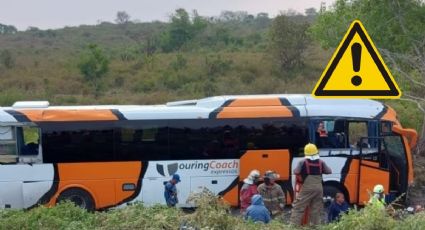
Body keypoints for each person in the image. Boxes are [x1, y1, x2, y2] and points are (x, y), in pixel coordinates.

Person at [290, 143, 332, 226]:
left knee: (298, 207)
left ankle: (293, 226)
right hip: (319, 188)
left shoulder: (302, 162)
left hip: (307, 188)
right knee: (316, 209)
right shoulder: (321, 162)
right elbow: (329, 171)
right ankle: (314, 227)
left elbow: (296, 171)